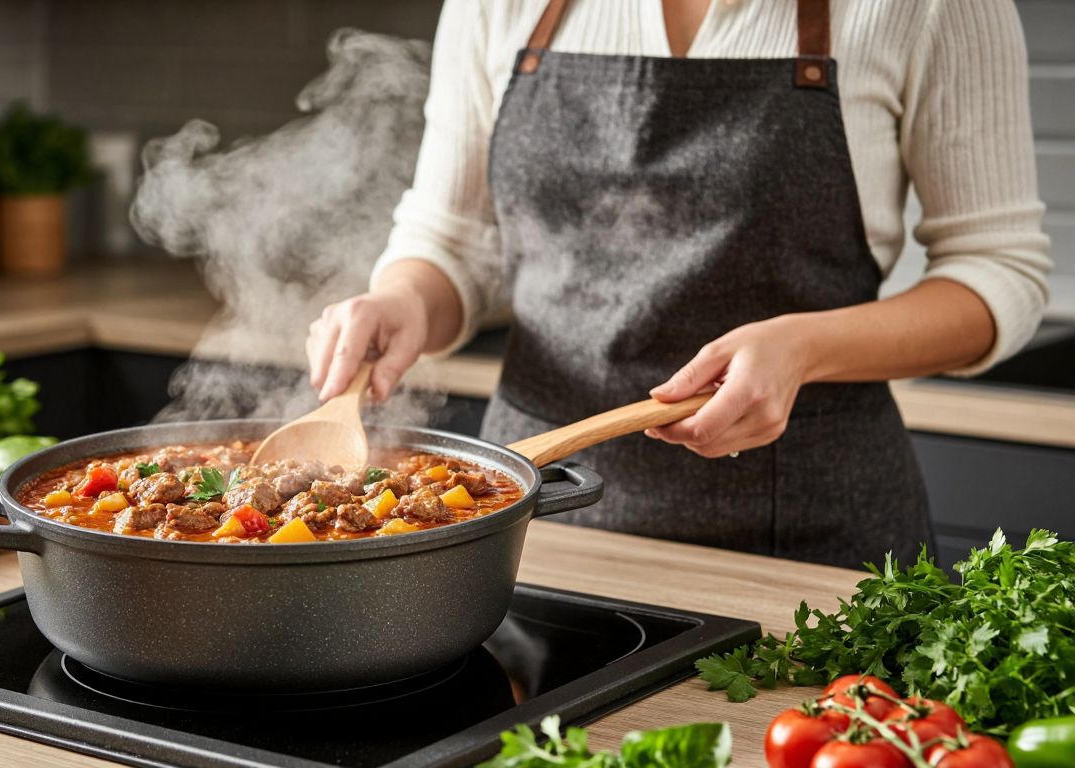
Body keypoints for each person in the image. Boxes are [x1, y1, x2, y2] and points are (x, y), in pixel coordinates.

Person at [304, 0, 1051, 568]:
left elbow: (998, 274)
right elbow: (449, 238)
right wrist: (405, 297)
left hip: (803, 529)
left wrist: (805, 345)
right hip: (525, 518)